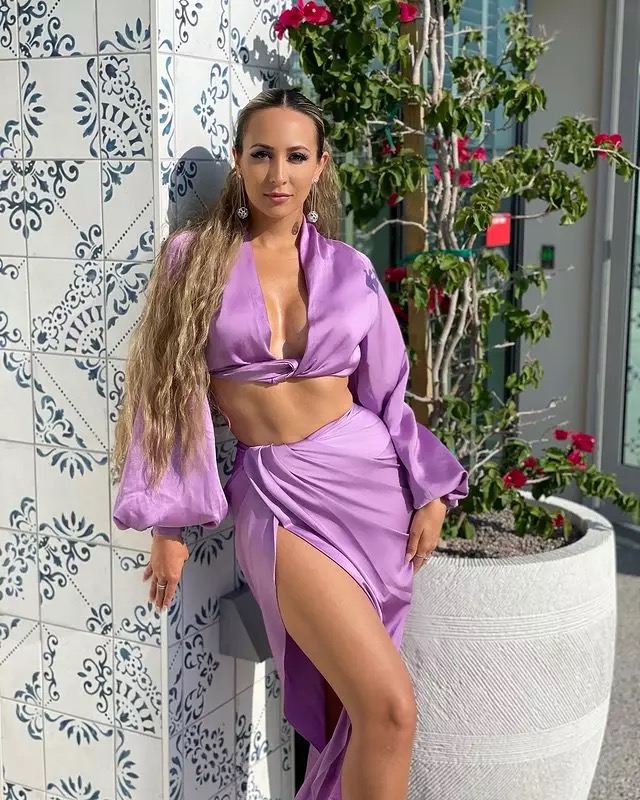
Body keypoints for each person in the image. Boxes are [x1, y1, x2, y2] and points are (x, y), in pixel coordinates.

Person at [112, 88, 468, 800]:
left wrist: (431, 487)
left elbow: (388, 394)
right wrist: (169, 525)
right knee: (389, 709)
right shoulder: (195, 259)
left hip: (370, 489)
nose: (278, 174)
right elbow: (167, 388)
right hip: (277, 498)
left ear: (320, 166)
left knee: (363, 715)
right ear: (239, 162)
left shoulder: (351, 268)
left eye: (296, 156)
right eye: (262, 154)